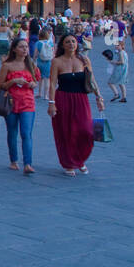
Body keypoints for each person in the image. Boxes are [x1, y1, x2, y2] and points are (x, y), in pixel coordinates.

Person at [48, 34, 104, 176]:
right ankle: (68, 163)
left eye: (73, 41)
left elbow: (92, 80)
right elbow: (53, 83)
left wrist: (99, 97)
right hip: (63, 99)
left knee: (86, 131)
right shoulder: (57, 61)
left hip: (81, 100)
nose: (71, 44)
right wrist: (51, 103)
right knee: (66, 132)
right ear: (62, 45)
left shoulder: (84, 60)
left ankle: (80, 159)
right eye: (67, 42)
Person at [0, 40, 39, 175]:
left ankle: (28, 163)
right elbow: (1, 86)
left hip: (27, 102)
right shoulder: (7, 65)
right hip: (11, 102)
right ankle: (14, 160)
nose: (25, 49)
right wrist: (14, 81)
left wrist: (32, 84)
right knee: (12, 132)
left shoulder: (30, 64)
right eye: (21, 47)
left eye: (26, 47)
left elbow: (36, 80)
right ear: (14, 49)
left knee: (26, 133)